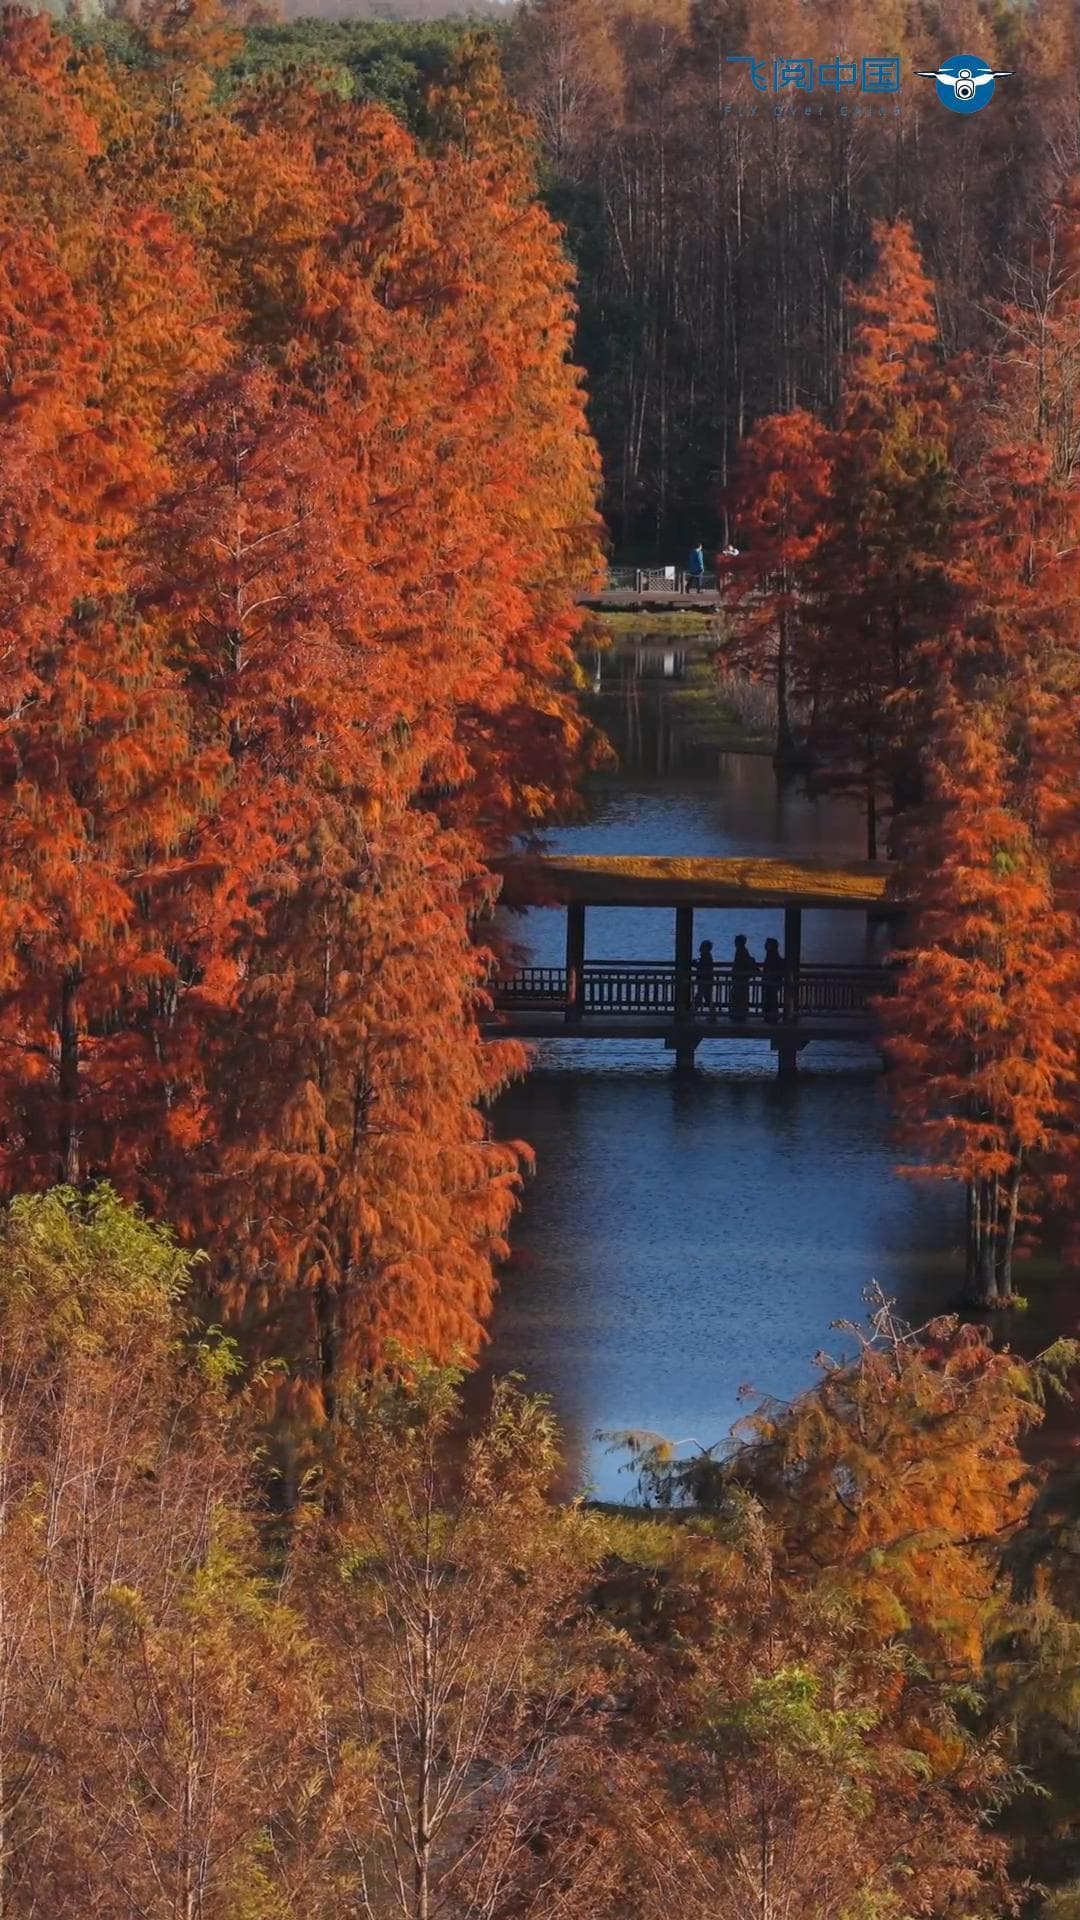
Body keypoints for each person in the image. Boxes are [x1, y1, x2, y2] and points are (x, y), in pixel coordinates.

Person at [729, 933, 759, 1021]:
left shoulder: (741, 951)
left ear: (739, 942)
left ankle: (738, 1015)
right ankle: (740, 1014)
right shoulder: (743, 950)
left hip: (740, 979)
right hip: (742, 979)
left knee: (738, 996)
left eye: (736, 941)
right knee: (740, 996)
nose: (734, 943)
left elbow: (740, 964)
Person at [762, 936, 784, 1022]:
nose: (765, 946)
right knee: (772, 1000)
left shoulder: (771, 955)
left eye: (767, 944)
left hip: (771, 981)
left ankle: (771, 1017)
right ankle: (772, 1016)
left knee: (771, 1000)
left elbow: (770, 967)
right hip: (773, 981)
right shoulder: (773, 955)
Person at [693, 938, 715, 1013]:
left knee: (702, 996)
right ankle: (712, 1013)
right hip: (706, 979)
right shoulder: (707, 956)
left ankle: (693, 1011)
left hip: (704, 980)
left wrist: (696, 964)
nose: (700, 948)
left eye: (702, 946)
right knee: (706, 997)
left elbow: (702, 967)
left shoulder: (706, 957)